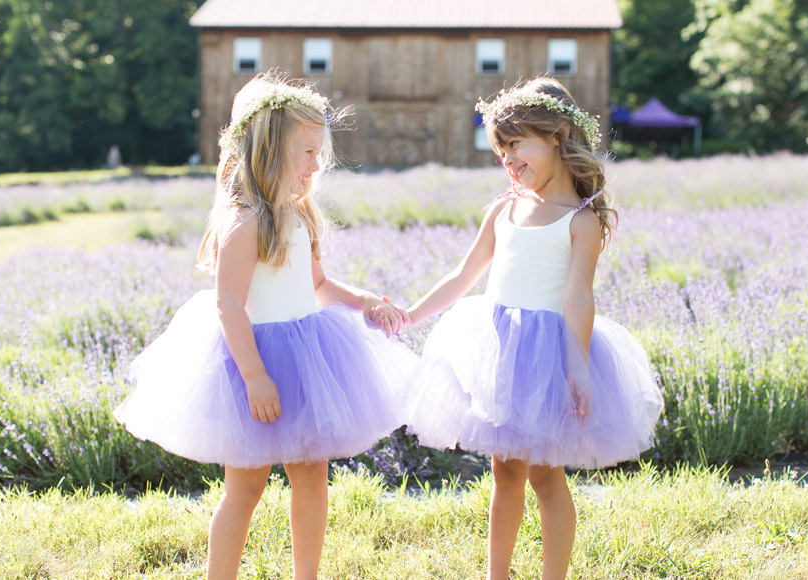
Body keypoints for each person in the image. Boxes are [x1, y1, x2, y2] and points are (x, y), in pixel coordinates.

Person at [116, 72, 416, 580]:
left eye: (318, 154)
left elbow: (318, 284)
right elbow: (229, 306)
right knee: (245, 488)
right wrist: (254, 376)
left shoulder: (300, 215)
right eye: (306, 152)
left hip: (308, 359)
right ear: (269, 149)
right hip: (252, 362)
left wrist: (361, 299)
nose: (315, 165)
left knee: (312, 477)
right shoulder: (244, 220)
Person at [373, 77, 664, 580]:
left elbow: (578, 298)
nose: (506, 158)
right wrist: (410, 315)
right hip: (499, 351)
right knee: (504, 473)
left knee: (546, 478)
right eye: (499, 149)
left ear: (557, 134)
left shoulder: (580, 219)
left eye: (515, 144)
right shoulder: (505, 209)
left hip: (547, 357)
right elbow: (464, 277)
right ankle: (497, 574)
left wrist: (579, 367)